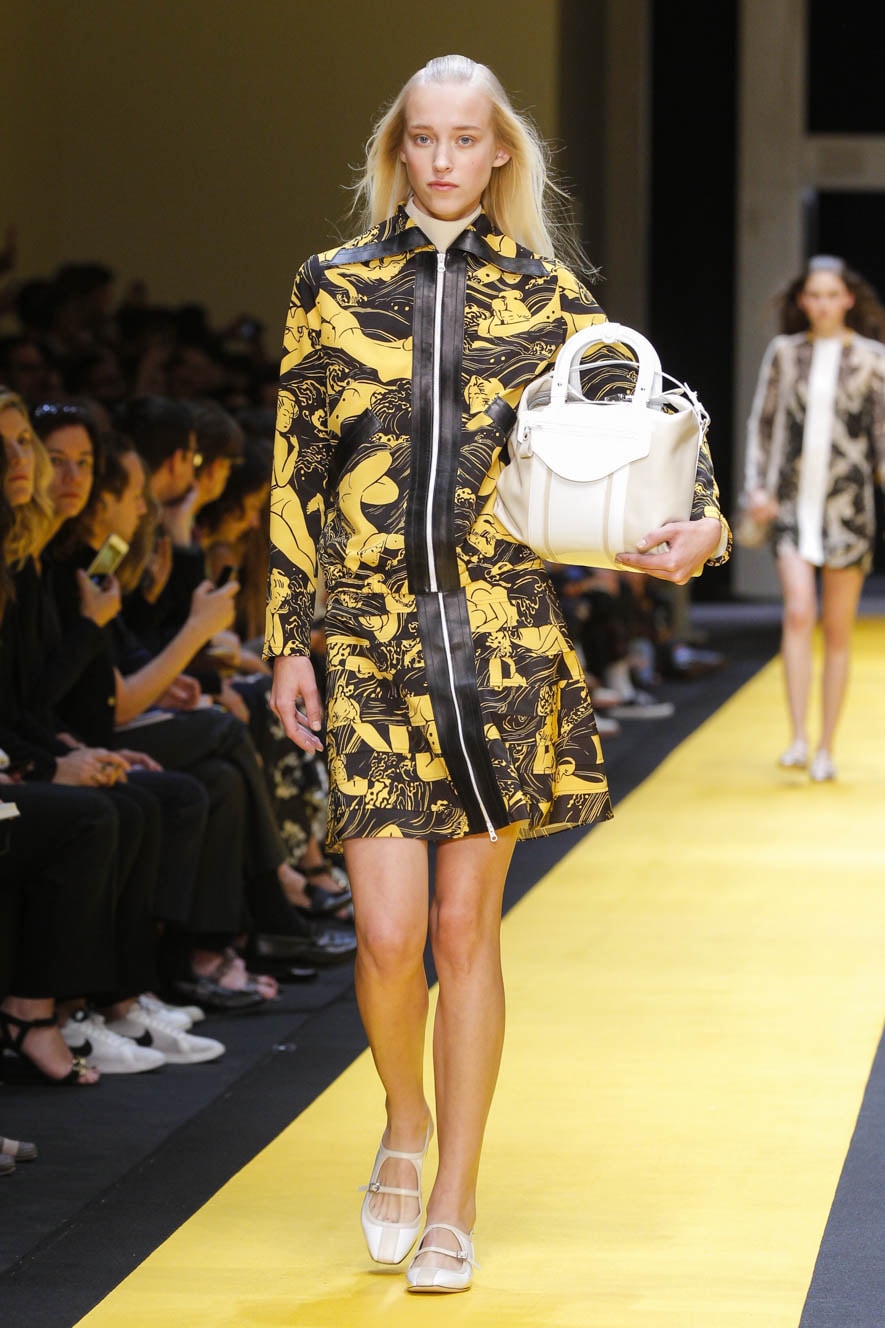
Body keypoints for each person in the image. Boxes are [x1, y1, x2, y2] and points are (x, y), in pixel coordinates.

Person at [266, 54, 729, 1294]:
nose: (442, 160)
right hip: (368, 640)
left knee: (465, 927)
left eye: (465, 139)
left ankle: (455, 1195)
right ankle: (403, 1117)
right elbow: (296, 467)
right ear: (397, 148)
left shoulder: (547, 294)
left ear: (500, 151)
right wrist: (287, 637)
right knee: (386, 933)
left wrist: (706, 524)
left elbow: (652, 422)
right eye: (422, 138)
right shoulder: (332, 285)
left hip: (500, 646)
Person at [742, 254, 885, 782]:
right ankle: (799, 737)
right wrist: (756, 487)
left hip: (849, 509)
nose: (823, 304)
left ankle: (826, 746)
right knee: (800, 611)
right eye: (814, 295)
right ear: (803, 301)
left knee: (839, 629)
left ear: (847, 299)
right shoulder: (785, 353)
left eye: (832, 295)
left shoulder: (873, 358)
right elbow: (762, 423)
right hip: (790, 506)